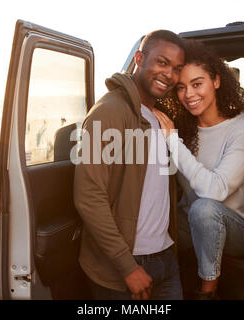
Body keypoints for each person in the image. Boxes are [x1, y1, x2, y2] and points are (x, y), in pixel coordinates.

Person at [73, 30, 185, 300]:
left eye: (176, 68)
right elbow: (88, 196)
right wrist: (127, 267)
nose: (169, 74)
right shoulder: (110, 111)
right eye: (162, 62)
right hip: (125, 267)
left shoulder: (157, 116)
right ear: (139, 58)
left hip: (165, 257)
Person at [153, 40, 244, 299]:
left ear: (216, 81)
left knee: (205, 208)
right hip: (189, 225)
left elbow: (215, 190)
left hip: (237, 229)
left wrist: (172, 141)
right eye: (181, 87)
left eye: (197, 83)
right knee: (153, 218)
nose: (189, 94)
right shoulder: (182, 128)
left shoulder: (243, 127)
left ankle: (206, 293)